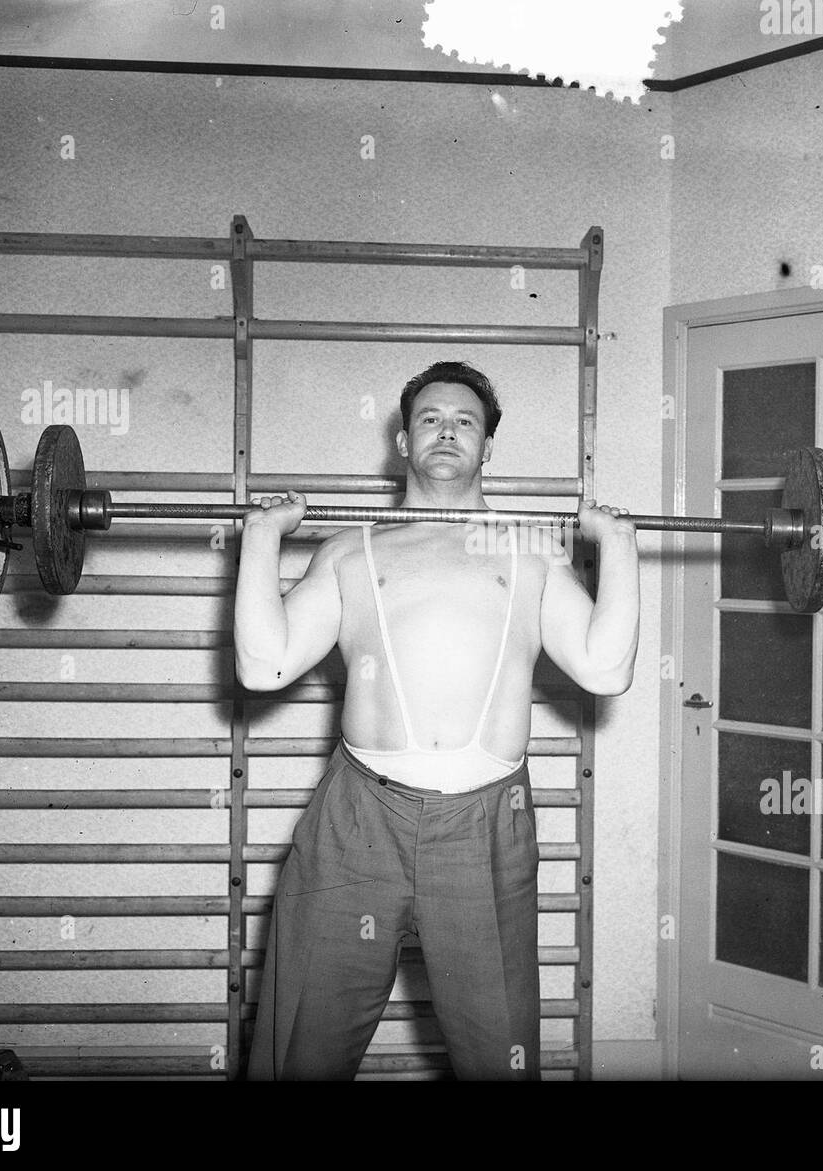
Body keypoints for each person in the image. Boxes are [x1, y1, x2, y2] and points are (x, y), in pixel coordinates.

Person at [235, 360, 639, 1080]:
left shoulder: (532, 551)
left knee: (498, 1052)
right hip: (358, 821)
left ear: (487, 448)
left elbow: (605, 669)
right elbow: (261, 666)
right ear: (402, 441)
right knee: (302, 1045)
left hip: (485, 825)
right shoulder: (351, 552)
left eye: (465, 421)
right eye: (429, 418)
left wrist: (622, 548)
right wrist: (262, 537)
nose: (447, 431)